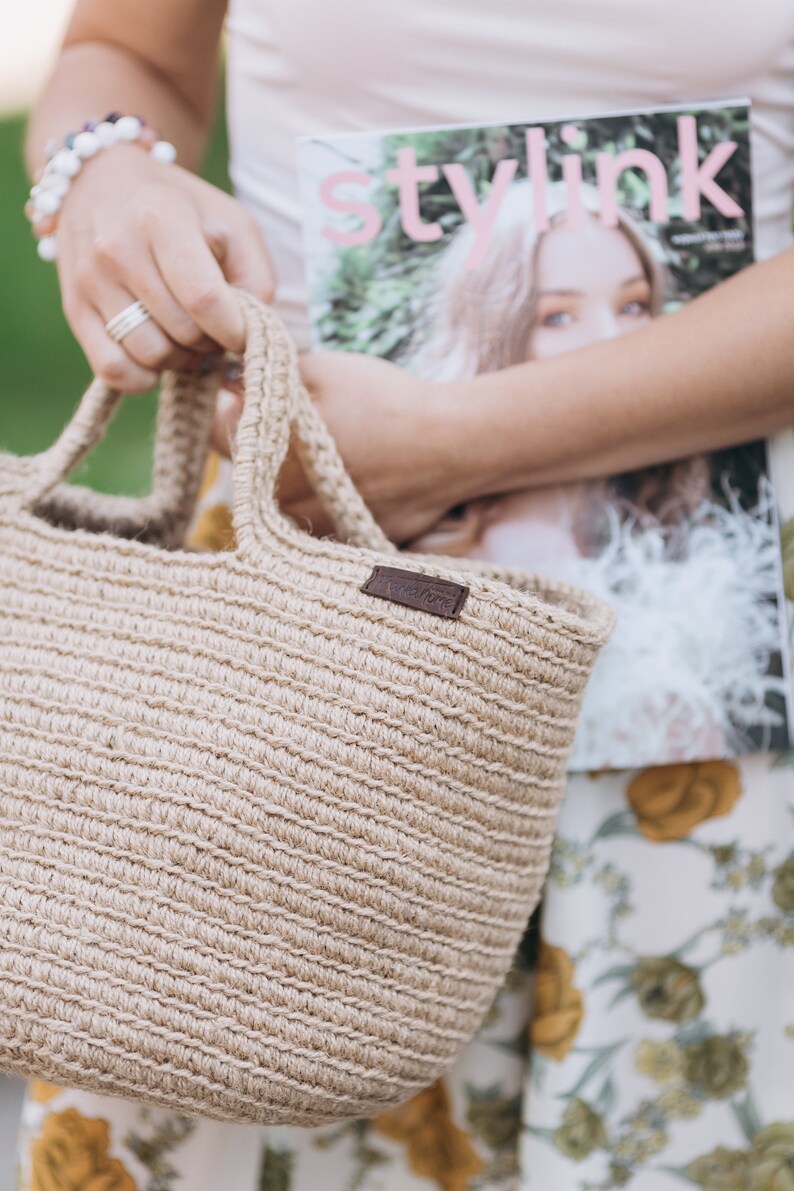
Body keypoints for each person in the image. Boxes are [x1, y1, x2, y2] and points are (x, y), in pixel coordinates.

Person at [14, 1, 794, 1187]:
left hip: (729, 644)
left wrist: (449, 443)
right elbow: (121, 53)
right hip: (295, 604)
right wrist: (106, 175)